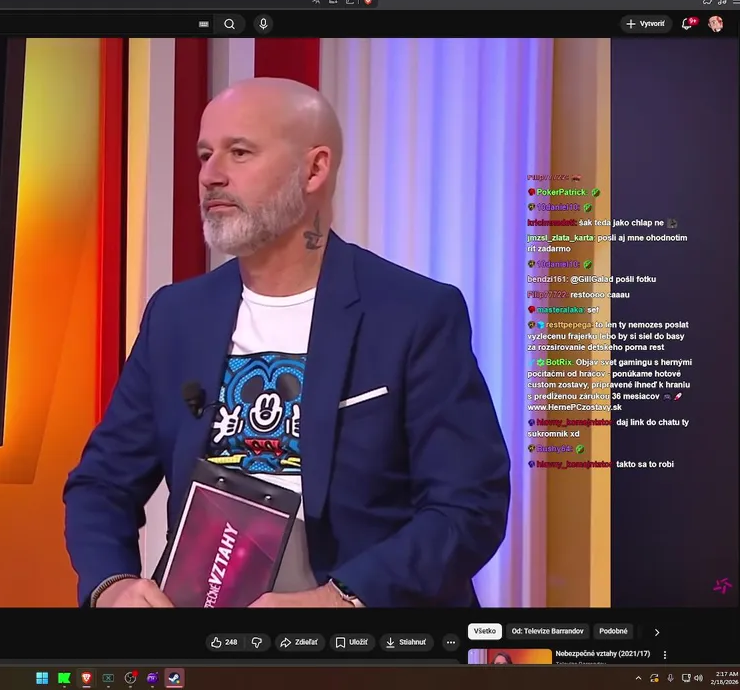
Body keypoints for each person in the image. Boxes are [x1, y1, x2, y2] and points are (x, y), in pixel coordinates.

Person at [63, 77, 510, 609]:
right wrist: (112, 585)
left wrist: (338, 602)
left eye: (239, 152)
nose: (210, 175)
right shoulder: (177, 316)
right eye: (205, 155)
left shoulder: (413, 314)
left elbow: (468, 506)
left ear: (314, 169)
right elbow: (102, 483)